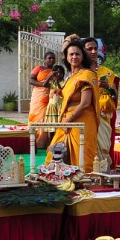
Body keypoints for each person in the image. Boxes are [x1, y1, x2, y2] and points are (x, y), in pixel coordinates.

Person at [47, 40, 99, 172]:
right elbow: (70, 96)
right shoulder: (71, 76)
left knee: (82, 159)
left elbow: (85, 103)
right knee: (54, 154)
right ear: (66, 57)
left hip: (81, 122)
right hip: (66, 122)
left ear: (83, 56)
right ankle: (59, 181)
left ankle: (84, 185)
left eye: (77, 54)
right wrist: (59, 92)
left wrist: (69, 119)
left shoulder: (86, 75)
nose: (74, 57)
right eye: (71, 54)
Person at [85, 37, 119, 167]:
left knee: (103, 147)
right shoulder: (80, 72)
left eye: (95, 48)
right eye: (89, 49)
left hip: (103, 118)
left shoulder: (107, 73)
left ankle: (103, 173)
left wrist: (108, 87)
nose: (93, 51)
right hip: (86, 115)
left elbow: (115, 96)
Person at [28, 50, 60, 144]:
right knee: (36, 115)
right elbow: (31, 80)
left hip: (49, 96)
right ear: (45, 60)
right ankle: (34, 139)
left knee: (46, 117)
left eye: (53, 58)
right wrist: (43, 84)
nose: (51, 60)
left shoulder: (55, 70)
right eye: (49, 58)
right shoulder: (38, 68)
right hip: (38, 96)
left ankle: (43, 141)